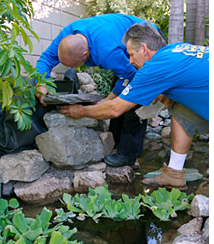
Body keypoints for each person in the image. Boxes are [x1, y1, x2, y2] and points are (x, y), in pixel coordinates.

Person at [59, 23, 209, 190]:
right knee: (181, 110)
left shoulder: (154, 67)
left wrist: (80, 111)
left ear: (144, 49)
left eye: (131, 54)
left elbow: (114, 109)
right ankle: (173, 174)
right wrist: (167, 92)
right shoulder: (174, 49)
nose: (129, 61)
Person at [36, 13, 163, 167]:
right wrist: (40, 84)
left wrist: (106, 102)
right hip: (120, 46)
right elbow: (45, 60)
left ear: (86, 54)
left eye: (75, 65)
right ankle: (115, 141)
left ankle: (128, 154)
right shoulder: (67, 36)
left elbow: (130, 75)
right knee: (119, 90)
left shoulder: (106, 51)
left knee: (132, 100)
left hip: (147, 39)